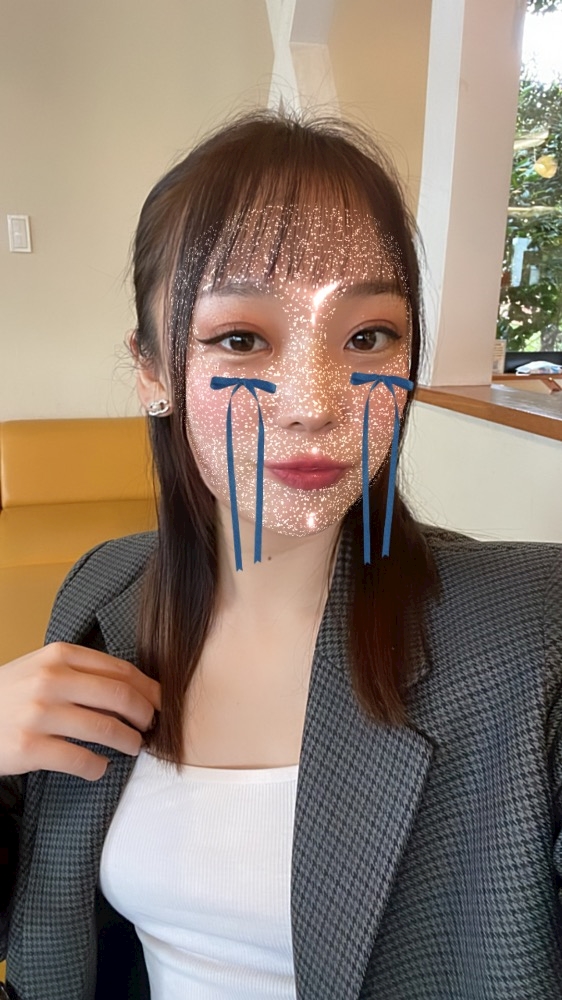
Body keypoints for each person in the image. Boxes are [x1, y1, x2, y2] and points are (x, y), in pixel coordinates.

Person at [0, 112, 560, 1000]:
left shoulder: (532, 634)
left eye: (368, 337)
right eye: (241, 339)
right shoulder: (105, 591)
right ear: (152, 371)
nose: (313, 404)